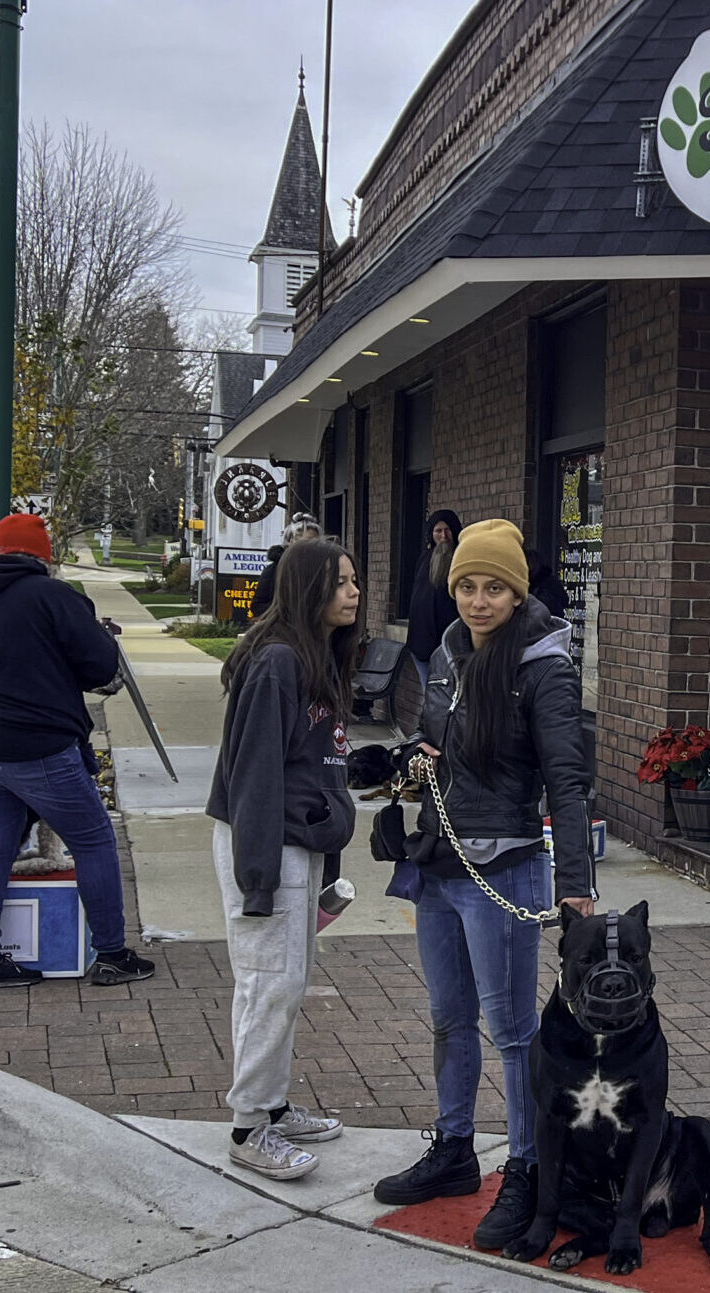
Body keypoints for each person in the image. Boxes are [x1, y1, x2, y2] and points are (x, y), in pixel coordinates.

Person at [371, 518, 597, 1256]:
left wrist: (577, 887)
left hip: (504, 864)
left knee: (513, 1030)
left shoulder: (545, 665)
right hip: (439, 857)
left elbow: (566, 779)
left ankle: (527, 1168)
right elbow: (439, 744)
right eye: (466, 585)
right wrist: (410, 760)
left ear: (517, 589)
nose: (476, 599)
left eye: (493, 586)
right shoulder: (447, 650)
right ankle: (455, 1149)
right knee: (447, 1016)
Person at [0, 514, 155, 991]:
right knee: (93, 840)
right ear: (43, 556)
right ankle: (111, 953)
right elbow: (100, 665)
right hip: (40, 745)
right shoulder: (55, 597)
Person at [207, 538, 361, 1180]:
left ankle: (268, 1105)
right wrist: (259, 879)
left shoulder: (310, 655)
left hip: (297, 842)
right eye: (342, 582)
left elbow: (311, 757)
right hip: (266, 843)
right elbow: (255, 774)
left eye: (356, 581)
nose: (354, 592)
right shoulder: (276, 662)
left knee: (277, 983)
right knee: (273, 983)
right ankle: (249, 1127)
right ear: (310, 589)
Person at [406, 509, 463, 673]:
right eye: (438, 531)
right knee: (429, 694)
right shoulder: (424, 559)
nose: (443, 536)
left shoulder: (461, 558)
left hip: (449, 645)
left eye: (448, 530)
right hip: (421, 642)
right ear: (431, 534)